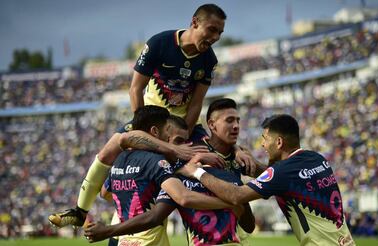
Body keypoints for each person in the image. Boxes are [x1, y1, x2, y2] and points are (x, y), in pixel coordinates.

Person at [48, 3, 239, 228]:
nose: (215, 37)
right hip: (151, 120)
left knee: (215, 155)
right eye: (211, 29)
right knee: (107, 152)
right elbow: (135, 89)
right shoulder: (159, 44)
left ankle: (229, 212)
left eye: (220, 32)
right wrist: (143, 128)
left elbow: (197, 102)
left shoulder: (209, 60)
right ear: (195, 22)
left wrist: (183, 135)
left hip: (183, 123)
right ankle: (80, 211)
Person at [84, 99, 256, 245]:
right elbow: (183, 198)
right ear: (156, 134)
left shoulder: (121, 160)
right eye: (176, 140)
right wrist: (233, 200)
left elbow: (105, 193)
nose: (183, 147)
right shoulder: (159, 164)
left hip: (123, 240)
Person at [178, 114, 356, 246]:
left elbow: (236, 196)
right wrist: (250, 162)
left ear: (279, 142)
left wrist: (197, 172)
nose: (263, 144)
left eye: (265, 139)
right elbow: (279, 178)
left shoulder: (282, 172)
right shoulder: (316, 158)